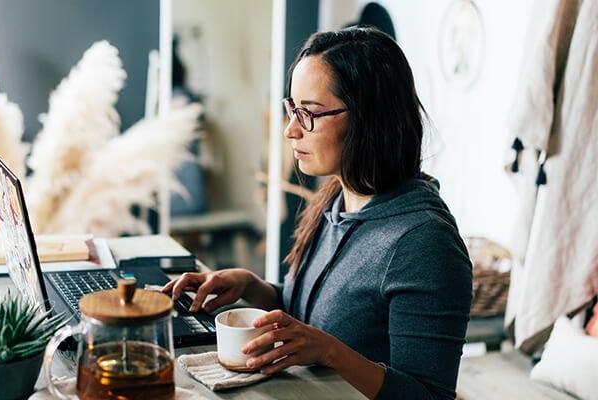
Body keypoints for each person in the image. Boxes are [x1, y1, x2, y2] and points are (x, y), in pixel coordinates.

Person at [163, 26, 473, 400]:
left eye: (308, 113)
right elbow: (315, 315)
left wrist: (330, 352)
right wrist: (251, 286)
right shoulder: (335, 199)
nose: (291, 130)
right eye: (291, 109)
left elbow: (429, 396)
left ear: (369, 119)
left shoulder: (424, 243)